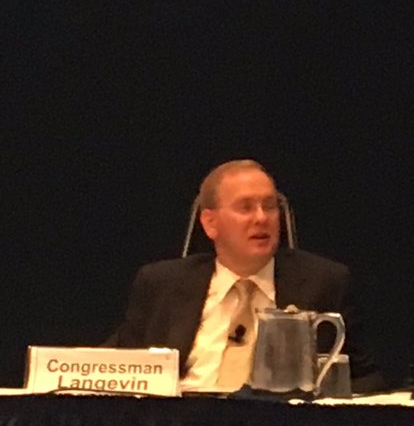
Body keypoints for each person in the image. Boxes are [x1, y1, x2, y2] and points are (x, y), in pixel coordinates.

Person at [109, 160, 383, 392]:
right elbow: (118, 369)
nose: (261, 218)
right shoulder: (161, 284)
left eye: (270, 206)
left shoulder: (323, 283)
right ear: (210, 223)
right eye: (245, 207)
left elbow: (365, 380)